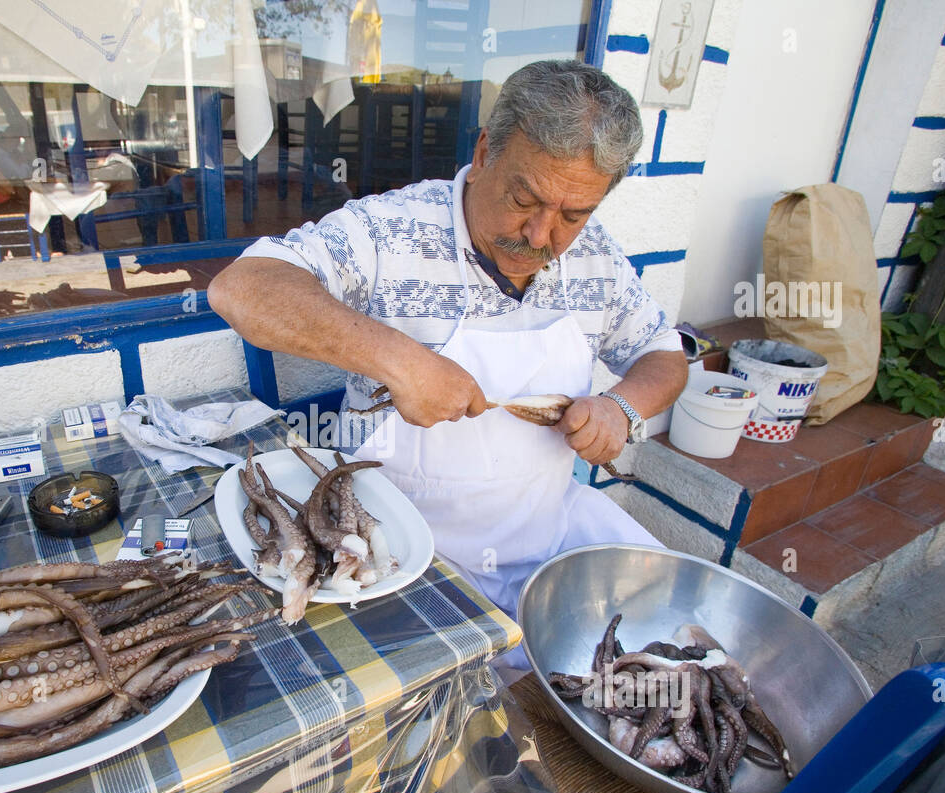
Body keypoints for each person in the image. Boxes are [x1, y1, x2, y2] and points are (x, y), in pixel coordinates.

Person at [208, 60, 688, 636]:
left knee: (664, 638)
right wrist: (402, 360)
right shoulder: (394, 230)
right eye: (524, 198)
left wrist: (623, 407)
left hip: (545, 538)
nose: (540, 236)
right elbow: (242, 289)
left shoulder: (599, 260)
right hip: (398, 557)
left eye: (573, 214)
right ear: (486, 152)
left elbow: (664, 355)